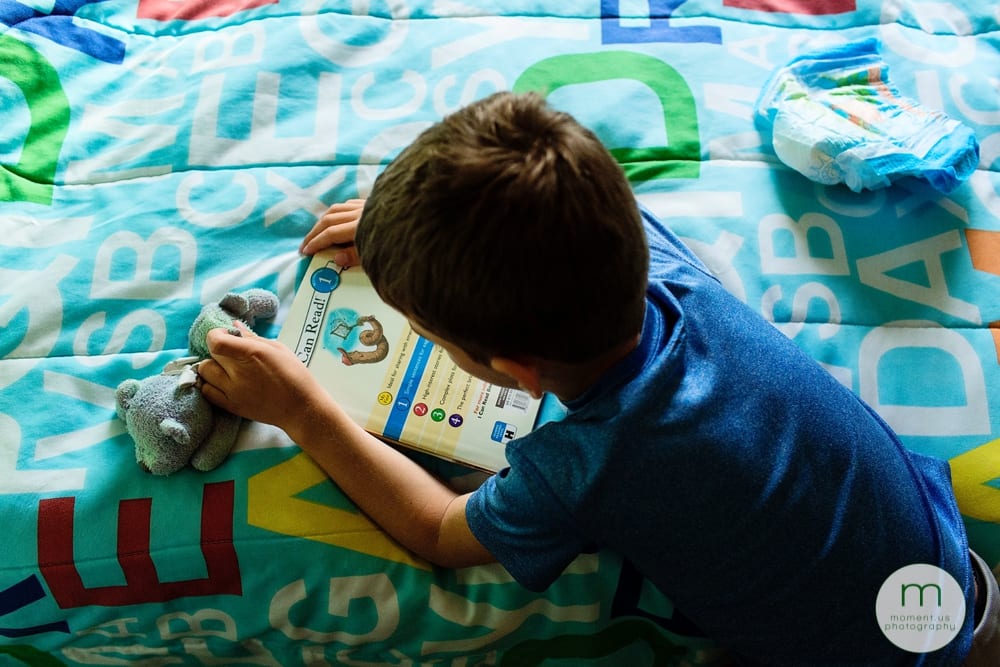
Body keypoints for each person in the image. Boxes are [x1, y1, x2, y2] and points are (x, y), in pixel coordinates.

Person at [198, 91, 998, 665]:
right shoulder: (662, 265)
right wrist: (405, 230)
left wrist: (300, 407)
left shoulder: (587, 463)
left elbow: (437, 532)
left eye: (432, 332)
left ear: (511, 370)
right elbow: (523, 218)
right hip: (940, 557)